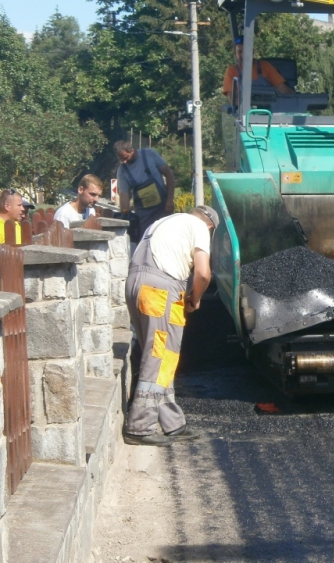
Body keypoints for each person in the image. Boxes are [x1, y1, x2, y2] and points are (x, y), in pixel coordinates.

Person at [123, 205, 219, 446]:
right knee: (158, 354)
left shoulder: (163, 222)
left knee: (164, 354)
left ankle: (172, 422)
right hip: (161, 288)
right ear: (210, 226)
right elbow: (203, 273)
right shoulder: (199, 227)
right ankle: (139, 426)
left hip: (135, 283)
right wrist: (195, 299)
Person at [114, 140, 175, 240]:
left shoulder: (149, 154)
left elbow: (169, 175)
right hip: (143, 214)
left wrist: (169, 200)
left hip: (163, 208)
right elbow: (124, 195)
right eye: (121, 160)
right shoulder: (122, 171)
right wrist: (125, 214)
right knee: (146, 240)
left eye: (125, 158)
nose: (124, 162)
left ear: (132, 150)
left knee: (166, 237)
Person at [222, 37, 294, 101]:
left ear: (252, 52)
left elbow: (282, 89)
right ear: (235, 54)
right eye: (240, 52)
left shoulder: (265, 66)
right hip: (244, 114)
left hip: (268, 111)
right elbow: (233, 99)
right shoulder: (231, 71)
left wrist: (297, 98)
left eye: (246, 51)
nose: (243, 55)